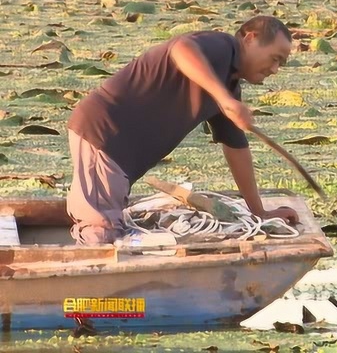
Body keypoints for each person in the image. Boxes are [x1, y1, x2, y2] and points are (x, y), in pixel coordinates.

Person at [65, 15, 300, 245]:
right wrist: (224, 100)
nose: (275, 69)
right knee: (102, 233)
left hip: (115, 152)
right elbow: (181, 48)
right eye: (275, 58)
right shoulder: (222, 46)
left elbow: (236, 149)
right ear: (250, 38)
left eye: (282, 63)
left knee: (105, 221)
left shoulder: (228, 85)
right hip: (105, 134)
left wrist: (259, 212)